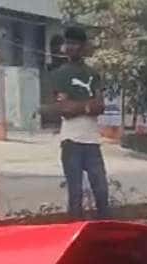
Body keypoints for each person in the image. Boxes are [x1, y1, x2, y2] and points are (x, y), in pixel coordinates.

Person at [45, 25, 108, 220]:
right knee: (75, 194)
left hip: (92, 142)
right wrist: (88, 106)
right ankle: (75, 235)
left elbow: (100, 106)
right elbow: (65, 109)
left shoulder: (92, 74)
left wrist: (78, 106)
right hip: (71, 141)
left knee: (102, 192)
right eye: (68, 43)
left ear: (83, 47)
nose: (71, 47)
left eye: (75, 43)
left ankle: (107, 233)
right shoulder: (59, 74)